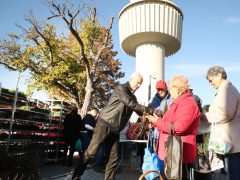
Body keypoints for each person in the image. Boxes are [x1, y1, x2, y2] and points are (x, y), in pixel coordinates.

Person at [72, 72, 156, 180]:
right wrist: (151, 110)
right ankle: (76, 176)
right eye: (138, 82)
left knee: (114, 159)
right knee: (91, 152)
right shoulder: (121, 88)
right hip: (104, 124)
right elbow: (131, 104)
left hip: (115, 129)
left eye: (141, 83)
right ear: (131, 80)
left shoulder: (132, 97)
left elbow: (138, 110)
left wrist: (152, 116)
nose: (139, 85)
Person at [146, 75, 200, 180]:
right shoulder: (179, 102)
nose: (169, 92)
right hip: (173, 152)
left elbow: (179, 128)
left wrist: (158, 122)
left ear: (178, 89)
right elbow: (170, 122)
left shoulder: (187, 103)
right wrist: (157, 121)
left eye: (171, 89)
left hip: (179, 154)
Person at [205, 65, 240, 180]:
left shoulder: (227, 90)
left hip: (232, 145)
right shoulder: (224, 90)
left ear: (219, 75)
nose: (210, 83)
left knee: (233, 175)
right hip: (229, 143)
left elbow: (225, 114)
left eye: (211, 80)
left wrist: (206, 116)